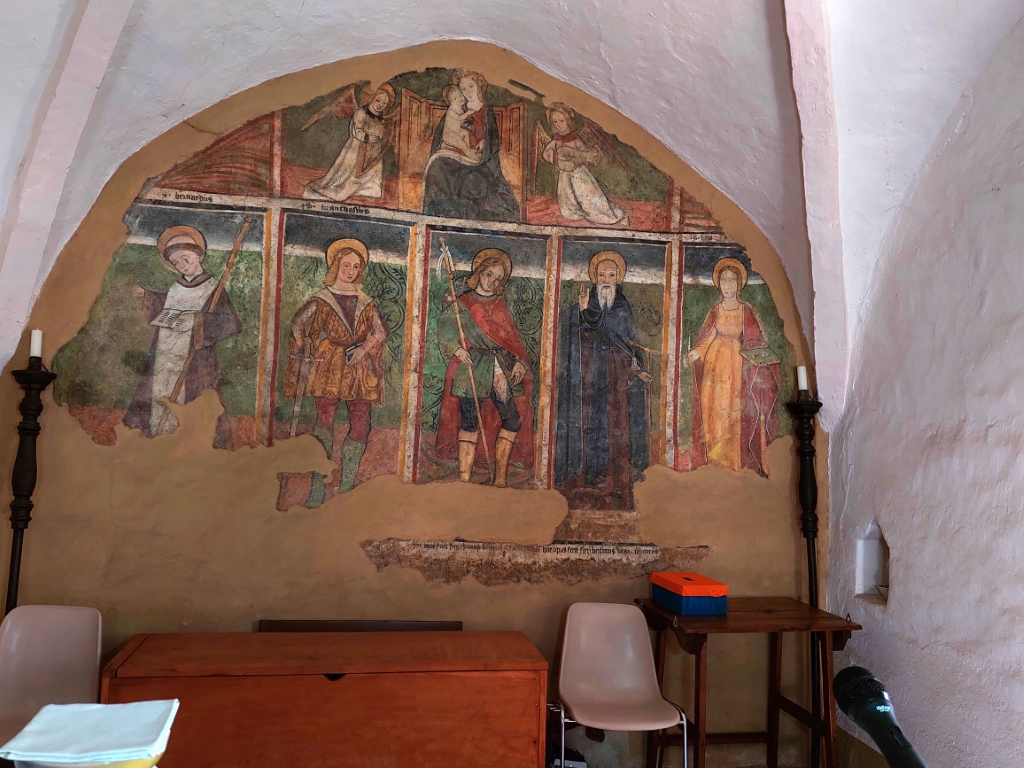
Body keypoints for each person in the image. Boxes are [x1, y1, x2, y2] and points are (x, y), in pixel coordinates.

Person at [283, 238, 389, 492]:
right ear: (335, 266)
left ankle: (347, 486)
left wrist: (363, 349)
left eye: (356, 266)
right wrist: (303, 343)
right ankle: (318, 486)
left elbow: (380, 331)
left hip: (358, 365)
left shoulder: (365, 301)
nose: (351, 271)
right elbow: (298, 323)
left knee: (361, 423)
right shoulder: (323, 298)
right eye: (346, 265)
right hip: (329, 363)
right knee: (325, 420)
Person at [124, 225, 241, 442]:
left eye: (185, 259)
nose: (181, 265)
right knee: (158, 393)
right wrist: (148, 295)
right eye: (176, 263)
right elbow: (169, 305)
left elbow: (230, 322)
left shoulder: (213, 289)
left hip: (194, 360)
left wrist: (197, 320)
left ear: (197, 255)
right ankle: (158, 437)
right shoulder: (176, 287)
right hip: (164, 354)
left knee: (192, 402)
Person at [555, 252, 651, 510]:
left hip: (617, 379)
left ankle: (618, 476)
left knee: (617, 425)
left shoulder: (622, 307)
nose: (606, 280)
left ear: (618, 278)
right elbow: (577, 334)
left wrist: (637, 368)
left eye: (611, 275)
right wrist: (583, 310)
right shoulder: (587, 304)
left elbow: (629, 341)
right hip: (590, 376)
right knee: (590, 423)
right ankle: (589, 474)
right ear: (594, 278)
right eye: (601, 275)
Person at [435, 248, 534, 487]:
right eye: (489, 274)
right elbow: (445, 328)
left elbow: (512, 339)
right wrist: (456, 349)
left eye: (498, 279)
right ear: (479, 273)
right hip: (472, 367)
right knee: (469, 421)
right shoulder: (463, 302)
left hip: (499, 368)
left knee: (512, 419)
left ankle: (500, 478)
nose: (492, 281)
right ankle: (464, 478)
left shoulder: (500, 305)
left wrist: (520, 362)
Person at [685, 257, 780, 476]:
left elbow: (755, 340)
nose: (727, 285)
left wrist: (760, 356)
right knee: (713, 413)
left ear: (739, 284)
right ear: (718, 284)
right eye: (724, 280)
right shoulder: (716, 310)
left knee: (733, 413)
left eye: (732, 280)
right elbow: (708, 337)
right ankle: (715, 463)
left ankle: (733, 463)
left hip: (736, 366)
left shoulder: (745, 310)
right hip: (714, 367)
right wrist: (697, 351)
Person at [422, 70, 520, 223]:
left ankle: (467, 218)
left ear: (479, 86)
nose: (467, 92)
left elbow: (492, 140)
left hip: (479, 160)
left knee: (474, 181)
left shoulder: (486, 111)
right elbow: (444, 133)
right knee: (437, 167)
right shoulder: (457, 107)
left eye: (471, 86)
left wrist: (484, 142)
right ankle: (439, 218)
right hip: (453, 154)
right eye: (463, 88)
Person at [541, 103, 628, 227]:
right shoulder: (556, 140)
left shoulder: (575, 138)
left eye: (561, 120)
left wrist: (578, 155)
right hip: (565, 175)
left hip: (580, 175)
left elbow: (585, 153)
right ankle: (574, 210)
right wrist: (556, 158)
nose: (558, 124)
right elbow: (546, 153)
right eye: (555, 122)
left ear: (568, 120)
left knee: (588, 197)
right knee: (568, 203)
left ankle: (609, 214)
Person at [304, 84, 396, 202]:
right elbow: (355, 131)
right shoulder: (361, 113)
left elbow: (381, 130)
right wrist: (367, 138)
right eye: (378, 100)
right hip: (357, 148)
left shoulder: (380, 117)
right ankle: (342, 187)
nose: (380, 105)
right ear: (371, 97)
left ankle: (368, 187)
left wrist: (379, 134)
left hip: (373, 151)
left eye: (384, 104)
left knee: (372, 172)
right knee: (348, 173)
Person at [423, 84, 482, 169]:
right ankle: (470, 154)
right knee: (461, 143)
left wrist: (468, 125)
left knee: (465, 133)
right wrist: (468, 113)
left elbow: (460, 122)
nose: (459, 99)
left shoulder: (460, 108)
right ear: (451, 102)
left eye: (460, 95)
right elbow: (459, 118)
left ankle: (468, 150)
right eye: (455, 98)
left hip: (457, 131)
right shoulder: (451, 110)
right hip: (450, 134)